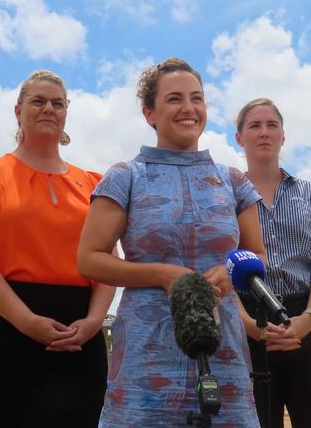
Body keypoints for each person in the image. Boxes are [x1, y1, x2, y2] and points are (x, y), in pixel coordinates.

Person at [78, 58, 263, 427]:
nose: (189, 108)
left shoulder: (233, 181)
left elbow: (258, 254)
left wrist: (229, 273)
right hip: (146, 356)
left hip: (223, 346)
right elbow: (89, 259)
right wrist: (163, 275)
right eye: (174, 99)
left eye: (197, 98)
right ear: (150, 112)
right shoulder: (125, 177)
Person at [0, 70, 115, 427]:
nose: (48, 109)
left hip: (77, 331)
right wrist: (26, 321)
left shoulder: (94, 185)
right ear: (18, 111)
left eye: (57, 103)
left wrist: (94, 321)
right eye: (38, 101)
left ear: (66, 112)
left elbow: (107, 261)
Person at [234, 97, 311, 428]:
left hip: (306, 320)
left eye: (272, 125)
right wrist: (250, 327)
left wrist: (308, 320)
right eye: (254, 125)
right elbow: (217, 268)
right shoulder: (226, 196)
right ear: (239, 138)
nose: (264, 132)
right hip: (247, 325)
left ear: (283, 135)